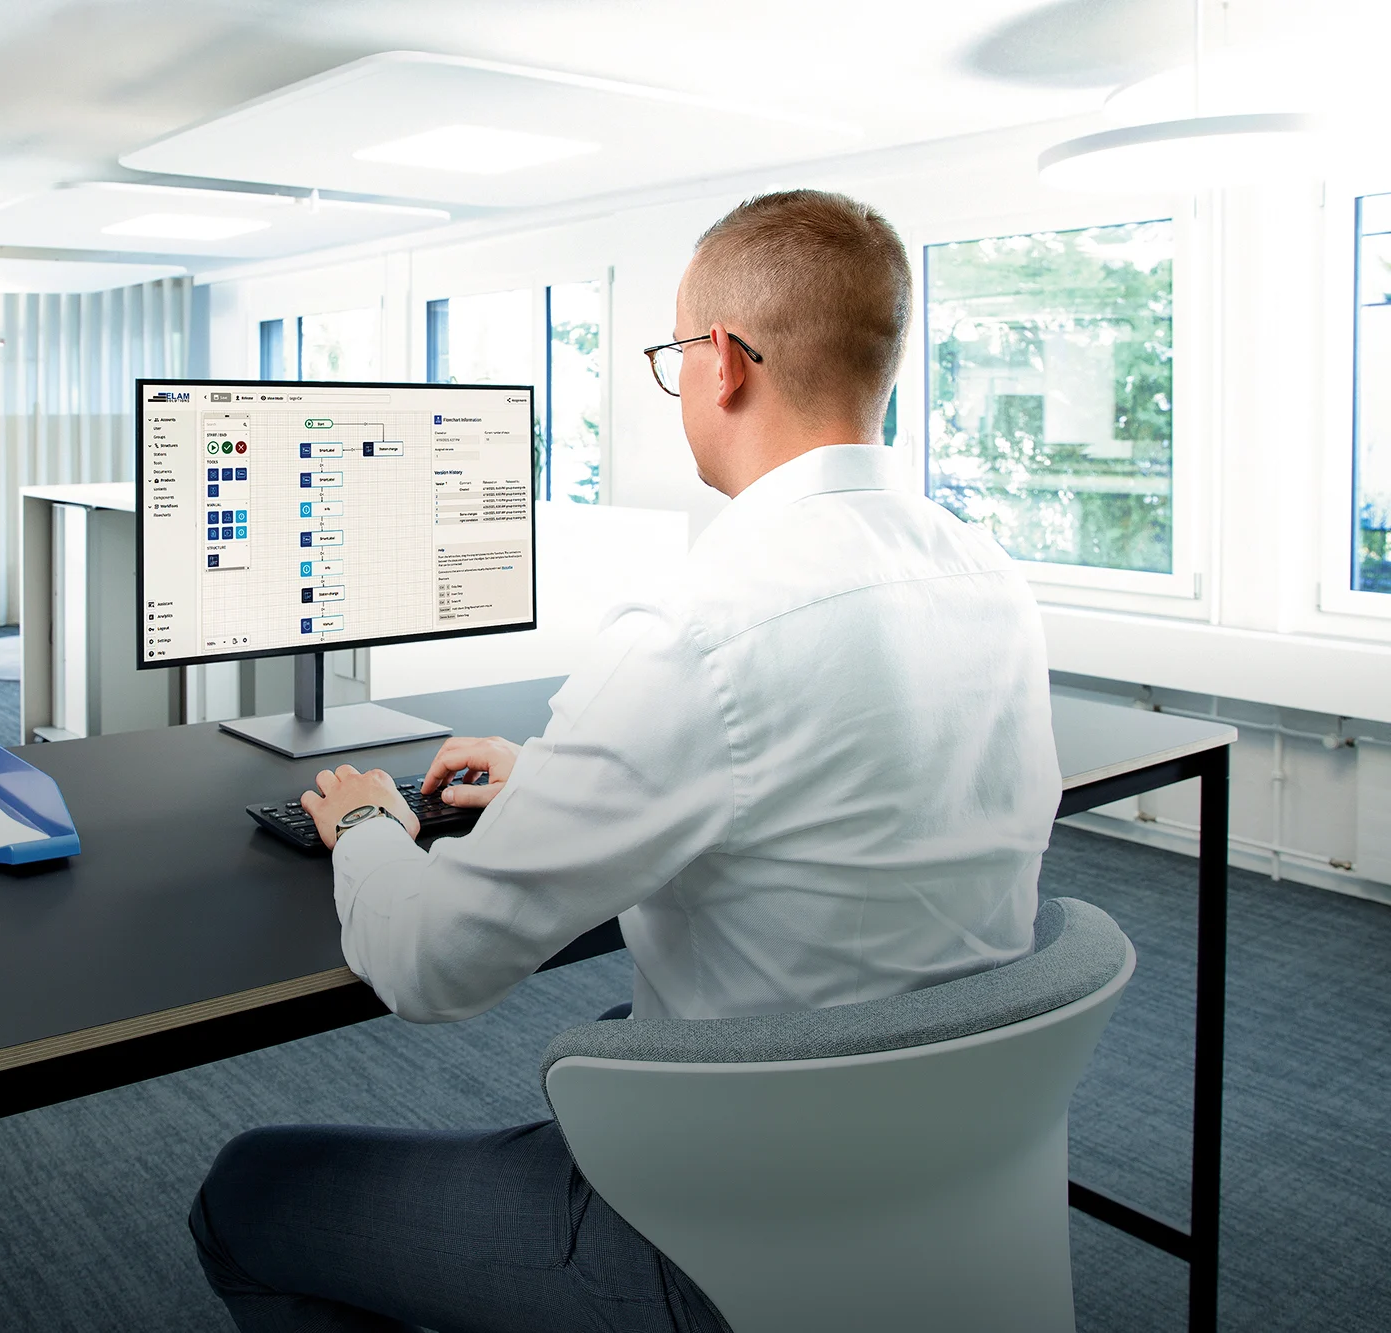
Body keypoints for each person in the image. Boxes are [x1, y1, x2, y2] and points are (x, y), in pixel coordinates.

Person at [187, 189, 1062, 1333]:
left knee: (250, 1192)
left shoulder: (697, 627)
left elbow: (431, 967)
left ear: (719, 364)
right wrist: (558, 772)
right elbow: (811, 782)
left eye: (669, 358)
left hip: (727, 1246)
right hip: (942, 1182)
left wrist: (363, 823)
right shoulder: (986, 575)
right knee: (607, 1031)